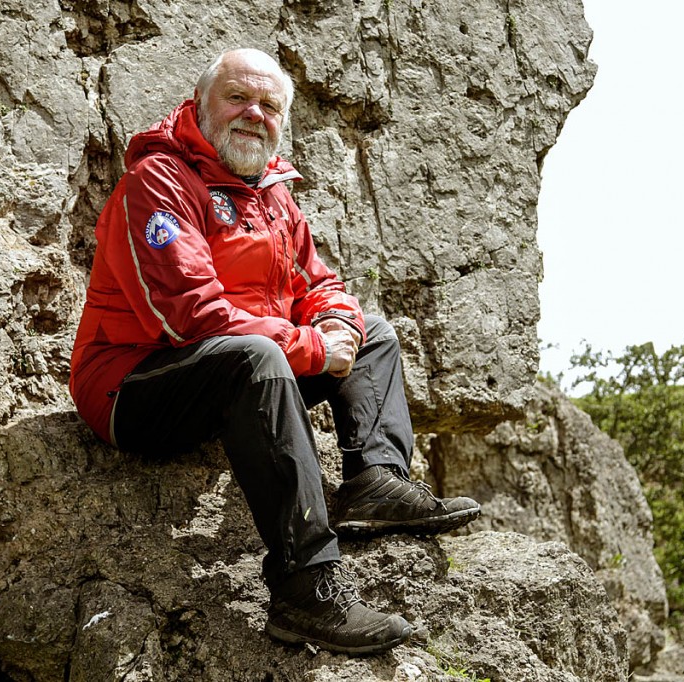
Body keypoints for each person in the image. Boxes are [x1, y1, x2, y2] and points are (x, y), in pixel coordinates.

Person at [68, 47, 481, 655]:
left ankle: (376, 483)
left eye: (269, 106)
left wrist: (337, 330)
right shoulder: (155, 183)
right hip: (130, 384)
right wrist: (312, 349)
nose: (253, 114)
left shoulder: (272, 194)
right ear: (200, 105)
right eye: (238, 98)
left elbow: (320, 285)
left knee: (374, 335)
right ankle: (305, 589)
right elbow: (191, 319)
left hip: (232, 373)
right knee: (256, 361)